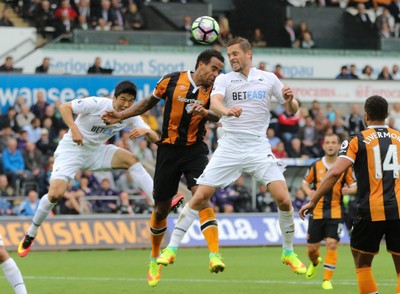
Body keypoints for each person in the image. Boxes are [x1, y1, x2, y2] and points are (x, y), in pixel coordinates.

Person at [154, 37, 306, 283]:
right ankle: (171, 249)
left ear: (248, 54)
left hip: (258, 147)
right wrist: (226, 112)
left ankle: (288, 251)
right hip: (230, 146)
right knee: (201, 196)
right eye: (229, 55)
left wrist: (289, 99)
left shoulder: (268, 79)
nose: (232, 58)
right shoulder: (224, 79)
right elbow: (215, 101)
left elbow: (292, 110)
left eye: (235, 54)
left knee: (284, 199)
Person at [101, 49, 225, 287]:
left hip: (195, 149)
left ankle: (214, 254)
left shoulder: (215, 89)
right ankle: (154, 257)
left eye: (219, 70)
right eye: (213, 68)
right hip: (168, 150)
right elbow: (147, 103)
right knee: (160, 209)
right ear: (201, 64)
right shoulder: (171, 80)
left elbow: (219, 117)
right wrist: (120, 116)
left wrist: (205, 112)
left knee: (201, 195)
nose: (215, 74)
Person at [18, 80, 181, 257]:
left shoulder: (131, 115)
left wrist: (147, 132)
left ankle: (157, 200)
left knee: (131, 159)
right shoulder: (96, 103)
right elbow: (64, 107)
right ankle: (32, 232)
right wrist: (74, 129)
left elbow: (155, 139)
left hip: (97, 151)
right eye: (123, 99)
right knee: (55, 194)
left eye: (130, 101)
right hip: (72, 149)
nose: (126, 104)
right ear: (114, 97)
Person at [299, 95, 400, 294]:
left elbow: (335, 172)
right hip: (399, 210)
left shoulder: (357, 140)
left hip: (370, 211)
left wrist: (313, 200)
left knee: (362, 262)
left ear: (366, 115)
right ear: (387, 115)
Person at [301, 133, 357, 290]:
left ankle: (327, 279)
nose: (330, 145)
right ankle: (314, 261)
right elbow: (305, 183)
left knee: (332, 244)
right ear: (323, 145)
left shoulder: (345, 167)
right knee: (312, 249)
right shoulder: (315, 166)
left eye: (333, 142)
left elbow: (355, 186)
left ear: (339, 146)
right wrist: (309, 192)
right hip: (317, 213)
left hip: (336, 212)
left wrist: (349, 191)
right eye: (328, 142)